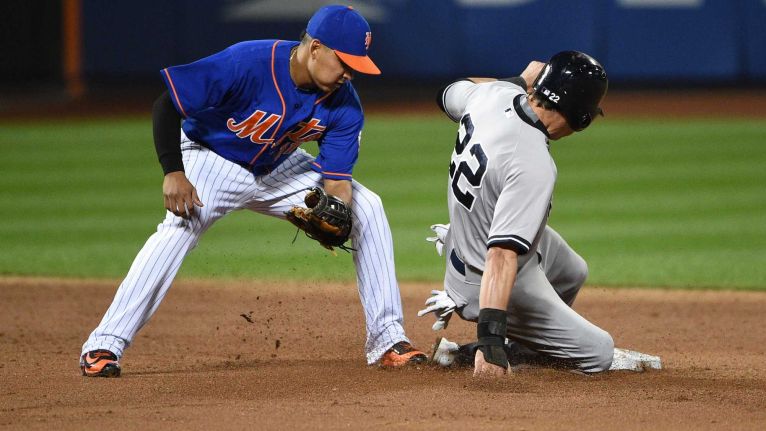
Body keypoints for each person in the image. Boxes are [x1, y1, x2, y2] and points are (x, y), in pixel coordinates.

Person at [79, 5, 427, 377]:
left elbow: (337, 180)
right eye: (344, 62)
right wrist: (173, 171)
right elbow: (166, 103)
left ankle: (388, 341)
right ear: (315, 49)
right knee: (178, 229)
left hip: (279, 167)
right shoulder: (247, 61)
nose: (349, 74)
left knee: (368, 207)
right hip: (210, 159)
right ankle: (104, 344)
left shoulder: (344, 104)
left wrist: (336, 211)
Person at [420, 51, 613, 378]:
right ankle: (496, 349)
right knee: (600, 352)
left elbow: (447, 93)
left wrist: (520, 80)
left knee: (573, 270)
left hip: (464, 238)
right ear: (581, 118)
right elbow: (501, 254)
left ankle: (529, 342)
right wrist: (490, 341)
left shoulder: (493, 94)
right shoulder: (532, 163)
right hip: (481, 275)